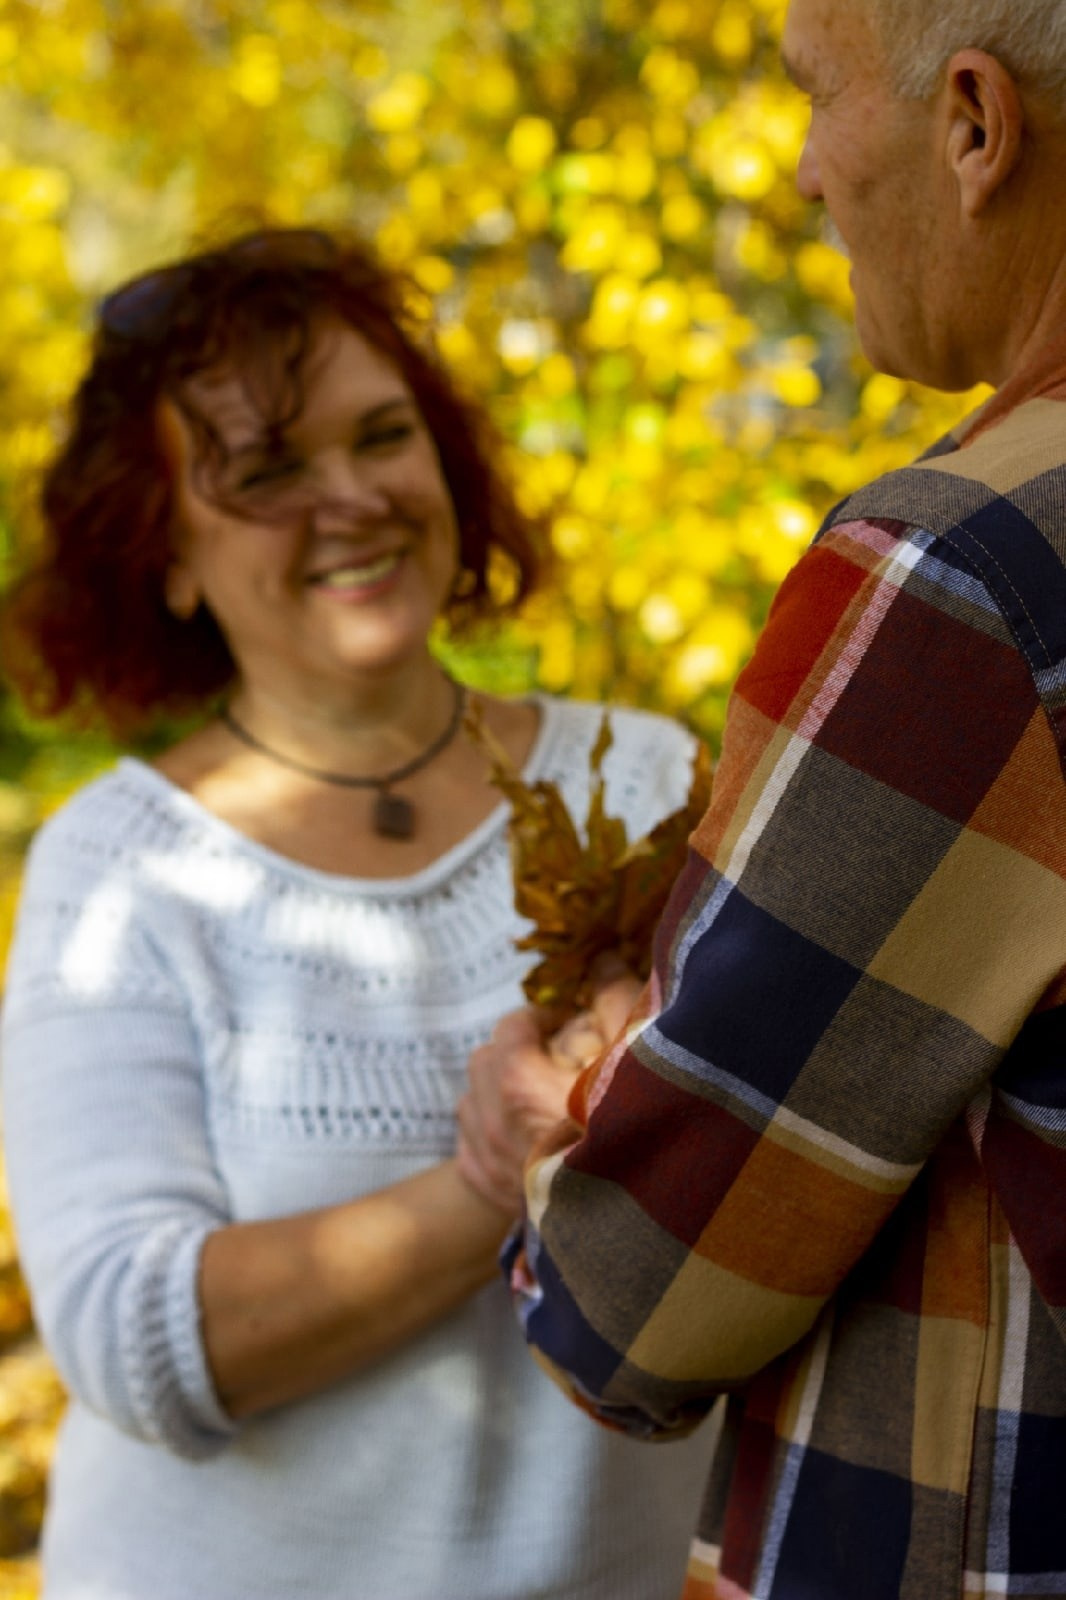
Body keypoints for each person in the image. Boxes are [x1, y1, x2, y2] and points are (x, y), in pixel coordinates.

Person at [0, 227, 716, 1600]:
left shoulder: (647, 781)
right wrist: (480, 1184)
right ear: (166, 556)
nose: (351, 497)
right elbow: (127, 1335)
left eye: (381, 435)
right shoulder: (124, 869)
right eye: (267, 473)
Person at [457, 2, 1066, 1597]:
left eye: (812, 99)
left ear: (973, 126)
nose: (799, 173)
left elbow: (642, 1295)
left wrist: (557, 1119)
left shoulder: (968, 575)